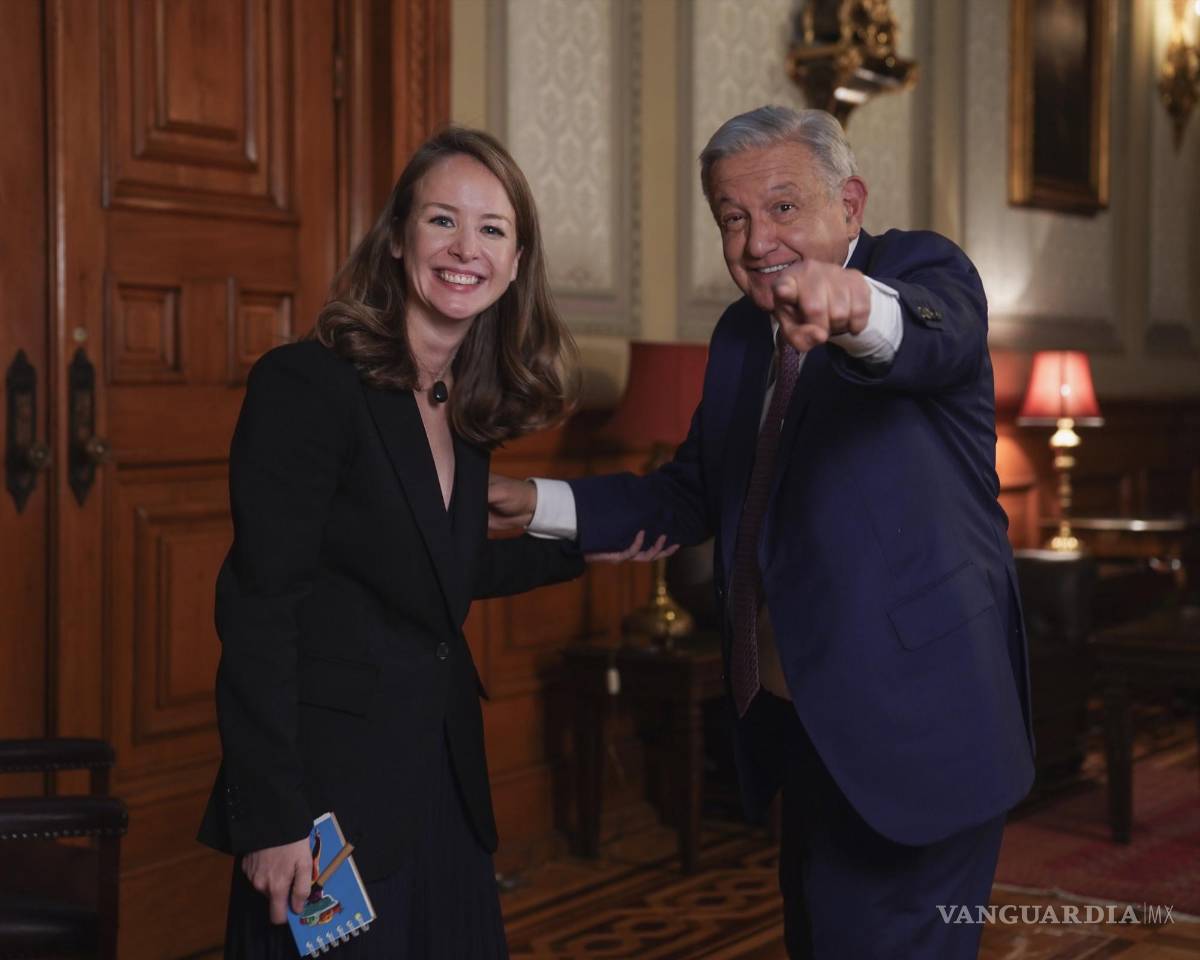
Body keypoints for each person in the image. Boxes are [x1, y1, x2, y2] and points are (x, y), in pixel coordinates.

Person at [488, 105, 1034, 959]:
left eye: (783, 207)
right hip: (808, 730)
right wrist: (539, 502)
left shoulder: (921, 268)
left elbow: (932, 331)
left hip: (920, 727)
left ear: (849, 203)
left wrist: (853, 304)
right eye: (732, 218)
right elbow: (693, 495)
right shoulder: (743, 335)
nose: (755, 241)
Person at [198, 126, 584, 959]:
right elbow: (260, 605)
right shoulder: (306, 385)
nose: (464, 249)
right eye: (442, 219)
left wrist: (592, 535)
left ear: (516, 262)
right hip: (325, 804)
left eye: (492, 230)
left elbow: (433, 574)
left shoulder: (465, 407)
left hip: (443, 787)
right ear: (400, 236)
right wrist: (270, 819)